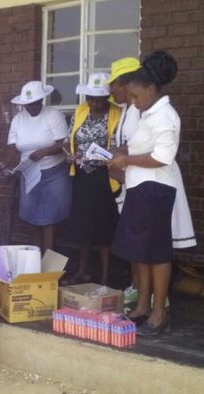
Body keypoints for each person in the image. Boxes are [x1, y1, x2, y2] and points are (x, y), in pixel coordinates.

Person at [107, 57, 197, 309]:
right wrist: (122, 155)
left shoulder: (166, 116)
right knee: (140, 252)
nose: (133, 102)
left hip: (156, 189)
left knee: (156, 253)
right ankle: (142, 305)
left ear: (150, 89)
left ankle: (159, 312)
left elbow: (162, 156)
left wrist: (127, 159)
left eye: (136, 96)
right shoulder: (147, 114)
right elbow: (140, 146)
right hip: (140, 188)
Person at [63, 73, 122, 286]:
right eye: (90, 98)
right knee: (83, 223)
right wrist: (71, 155)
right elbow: (69, 140)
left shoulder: (117, 114)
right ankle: (83, 270)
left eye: (98, 99)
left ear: (107, 98)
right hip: (81, 175)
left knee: (104, 224)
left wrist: (98, 156)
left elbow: (119, 148)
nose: (94, 103)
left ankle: (106, 275)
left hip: (104, 177)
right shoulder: (80, 111)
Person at [0, 81, 70, 253]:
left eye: (35, 103)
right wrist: (5, 163)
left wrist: (44, 152)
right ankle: (36, 256)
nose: (31, 107)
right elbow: (12, 147)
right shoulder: (18, 119)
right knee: (32, 216)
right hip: (29, 172)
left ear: (42, 100)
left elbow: (64, 143)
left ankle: (49, 258)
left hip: (53, 172)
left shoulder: (53, 115)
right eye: (28, 104)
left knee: (49, 218)